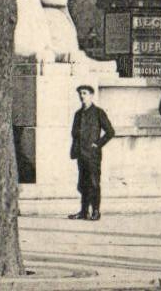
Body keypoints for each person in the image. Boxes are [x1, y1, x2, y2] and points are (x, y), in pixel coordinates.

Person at [69, 84, 115, 222]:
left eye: (84, 93)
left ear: (91, 95)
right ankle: (84, 212)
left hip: (93, 155)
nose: (82, 96)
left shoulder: (98, 112)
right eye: (80, 93)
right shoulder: (78, 114)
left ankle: (96, 211)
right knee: (82, 183)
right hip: (81, 154)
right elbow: (74, 134)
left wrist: (97, 144)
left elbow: (110, 132)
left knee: (94, 183)